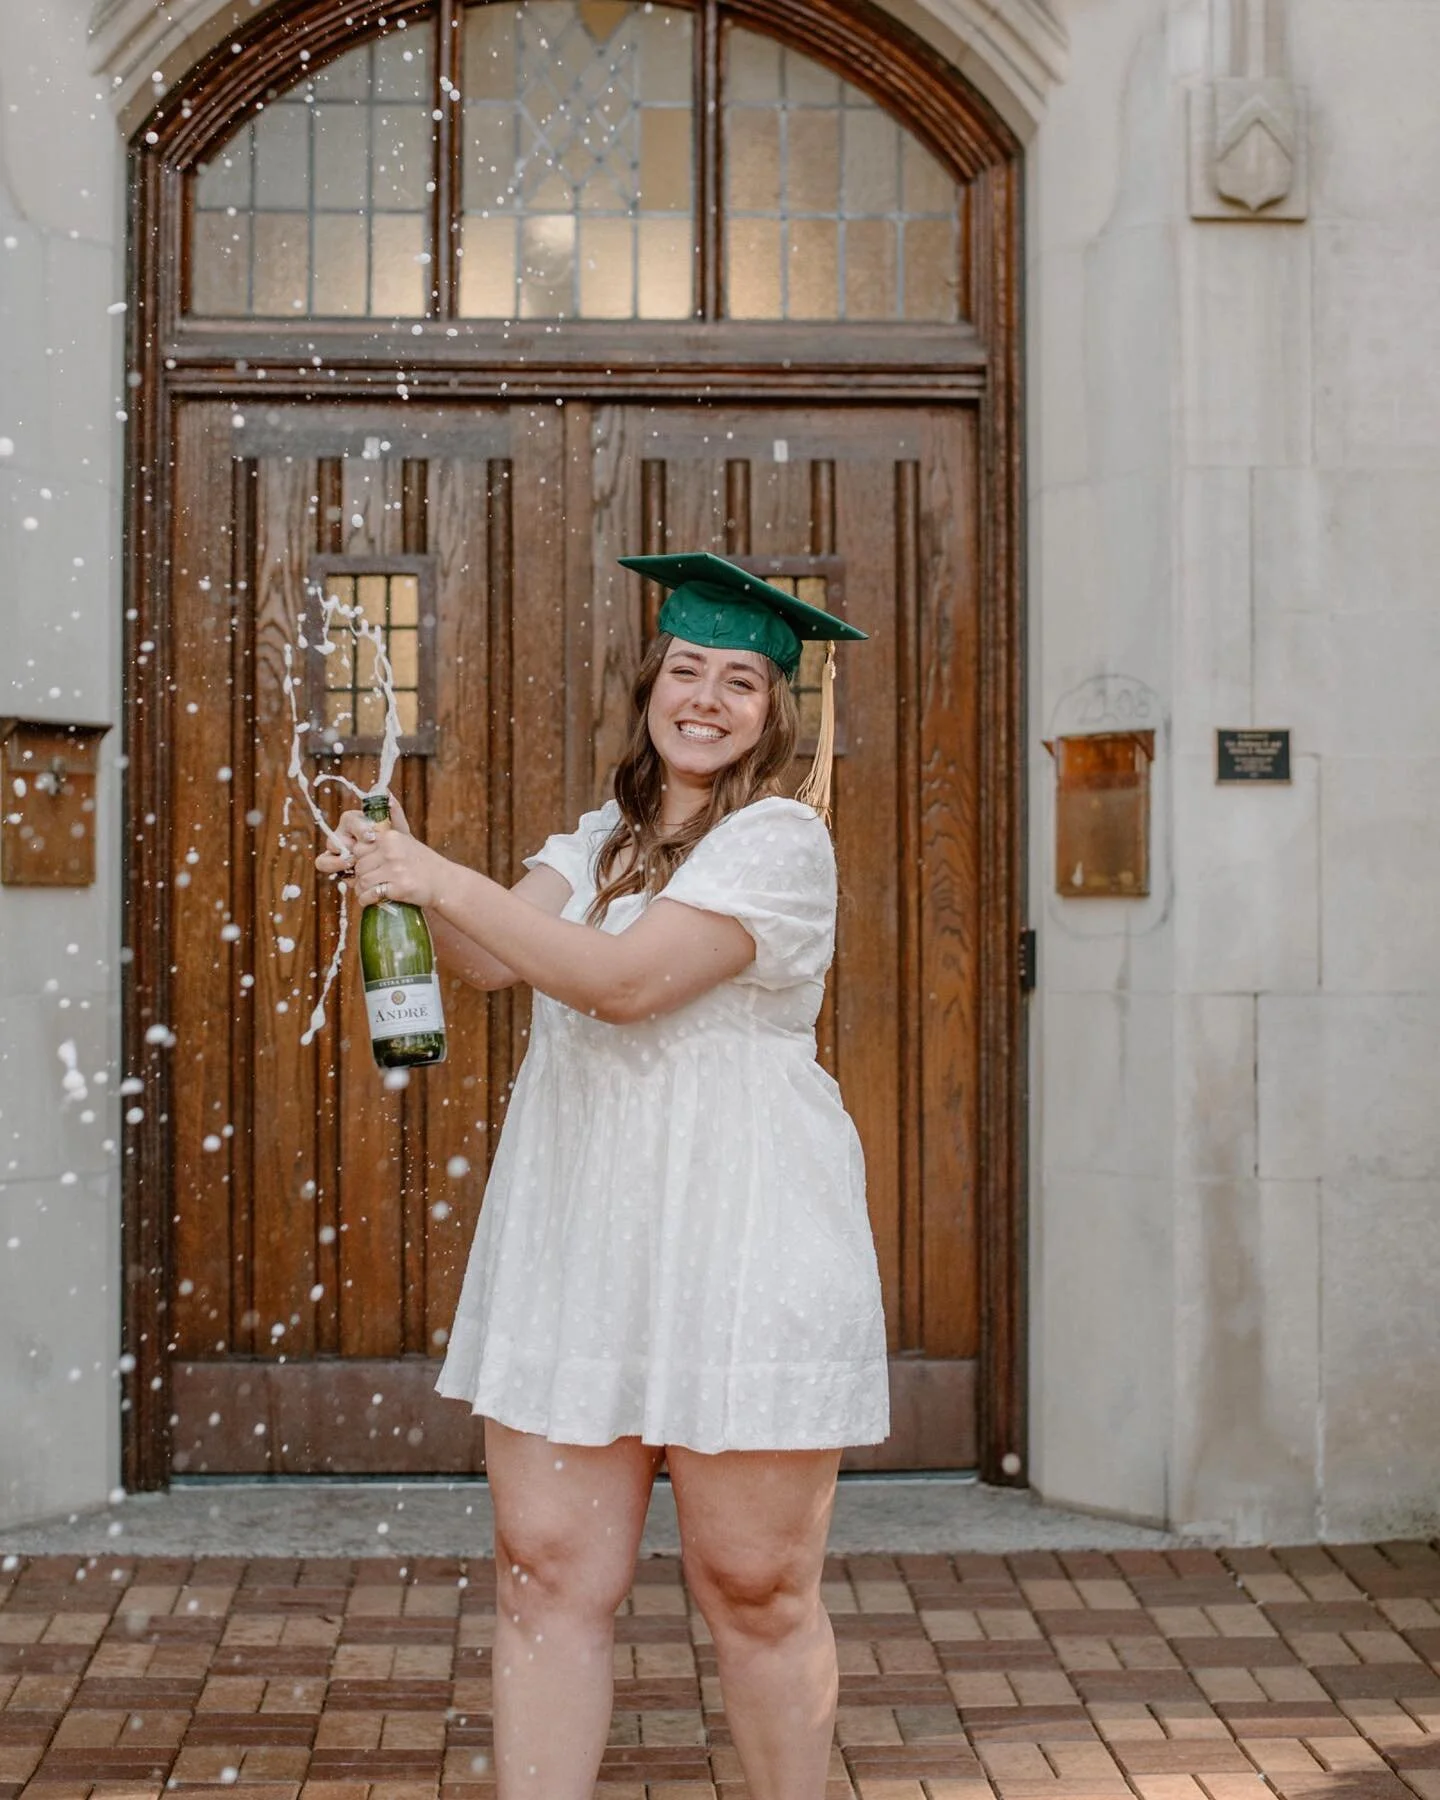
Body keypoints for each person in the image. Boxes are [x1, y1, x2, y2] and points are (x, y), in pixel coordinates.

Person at [318, 552, 889, 1800]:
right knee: (543, 1572)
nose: (707, 696)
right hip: (584, 1240)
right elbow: (484, 962)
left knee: (755, 1585)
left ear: (774, 713)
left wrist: (442, 880)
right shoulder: (599, 842)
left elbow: (623, 988)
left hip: (744, 1241)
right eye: (687, 668)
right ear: (651, 684)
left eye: (741, 681)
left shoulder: (782, 843)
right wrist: (396, 867)